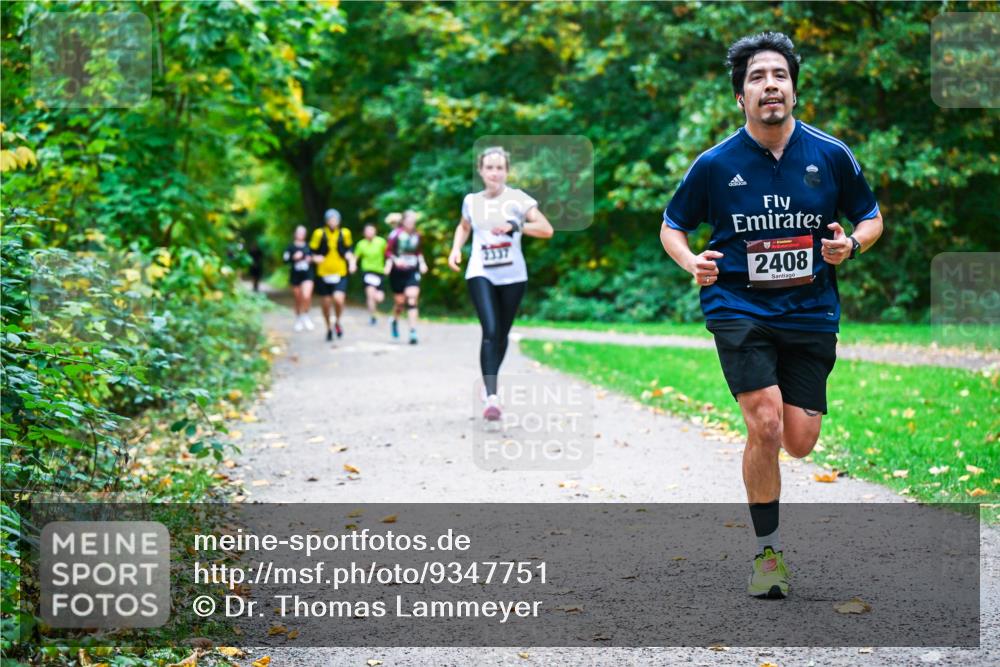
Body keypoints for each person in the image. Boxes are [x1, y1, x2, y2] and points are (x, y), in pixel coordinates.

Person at [659, 32, 883, 599]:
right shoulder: (715, 164)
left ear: (793, 87)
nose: (769, 86)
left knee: (801, 439)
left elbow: (870, 217)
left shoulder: (831, 155)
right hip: (739, 305)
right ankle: (767, 555)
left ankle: (778, 452)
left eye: (778, 75)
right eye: (757, 78)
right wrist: (692, 262)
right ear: (741, 98)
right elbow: (672, 225)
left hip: (810, 311)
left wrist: (849, 246)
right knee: (765, 424)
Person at [448, 146, 554, 421]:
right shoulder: (471, 201)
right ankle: (492, 396)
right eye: (489, 167)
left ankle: (488, 382)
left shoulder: (519, 200)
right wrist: (455, 249)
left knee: (503, 334)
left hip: (513, 276)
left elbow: (546, 229)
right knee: (490, 330)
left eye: (499, 167)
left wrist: (517, 226)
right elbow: (464, 226)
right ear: (481, 171)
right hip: (481, 271)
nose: (494, 172)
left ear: (507, 171)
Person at [309, 208, 357, 341]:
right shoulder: (319, 234)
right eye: (330, 219)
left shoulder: (344, 233)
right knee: (325, 302)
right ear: (326, 220)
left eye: (335, 219)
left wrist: (352, 263)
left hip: (340, 272)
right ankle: (328, 327)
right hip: (323, 273)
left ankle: (337, 322)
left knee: (339, 299)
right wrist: (315, 258)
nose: (333, 222)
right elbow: (310, 252)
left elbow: (349, 250)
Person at [385, 210, 428, 345]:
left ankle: (413, 331)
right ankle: (394, 320)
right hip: (397, 272)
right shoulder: (395, 235)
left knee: (412, 298)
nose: (411, 223)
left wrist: (422, 263)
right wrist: (395, 260)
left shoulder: (417, 235)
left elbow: (419, 251)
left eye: (413, 221)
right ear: (403, 221)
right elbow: (388, 252)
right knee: (400, 303)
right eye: (409, 221)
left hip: (412, 271)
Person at [282, 225, 315, 332]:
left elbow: (315, 258)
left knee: (306, 296)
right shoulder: (290, 247)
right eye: (299, 232)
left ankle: (306, 315)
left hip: (307, 274)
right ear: (295, 234)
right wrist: (293, 257)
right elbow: (285, 259)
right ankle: (298, 318)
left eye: (303, 232)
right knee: (298, 298)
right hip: (295, 275)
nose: (301, 234)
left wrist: (311, 259)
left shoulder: (309, 246)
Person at [355, 223, 388, 325]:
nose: (369, 233)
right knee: (370, 295)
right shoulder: (361, 244)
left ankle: (374, 310)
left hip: (379, 272)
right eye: (367, 231)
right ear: (364, 233)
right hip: (368, 272)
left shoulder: (381, 242)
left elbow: (388, 254)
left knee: (379, 298)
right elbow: (355, 257)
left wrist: (388, 266)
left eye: (371, 230)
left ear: (375, 231)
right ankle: (372, 316)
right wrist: (352, 265)